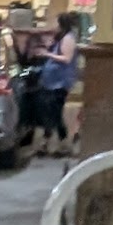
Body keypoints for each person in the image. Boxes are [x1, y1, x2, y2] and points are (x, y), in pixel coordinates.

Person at [33, 14, 79, 156]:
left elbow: (66, 58)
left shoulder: (68, 38)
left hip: (59, 83)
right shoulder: (61, 37)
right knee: (48, 112)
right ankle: (47, 143)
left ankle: (63, 144)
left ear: (62, 24)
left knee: (55, 113)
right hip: (51, 82)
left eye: (57, 23)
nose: (55, 26)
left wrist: (47, 54)